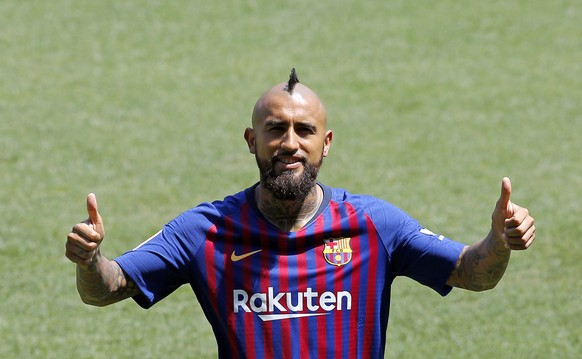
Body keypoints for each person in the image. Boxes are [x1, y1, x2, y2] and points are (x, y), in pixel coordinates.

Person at [65, 69, 536, 358]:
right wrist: (90, 260)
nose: (290, 143)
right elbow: (107, 288)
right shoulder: (203, 232)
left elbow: (473, 273)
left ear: (324, 144)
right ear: (252, 141)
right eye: (275, 129)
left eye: (304, 130)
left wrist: (499, 240)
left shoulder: (374, 225)